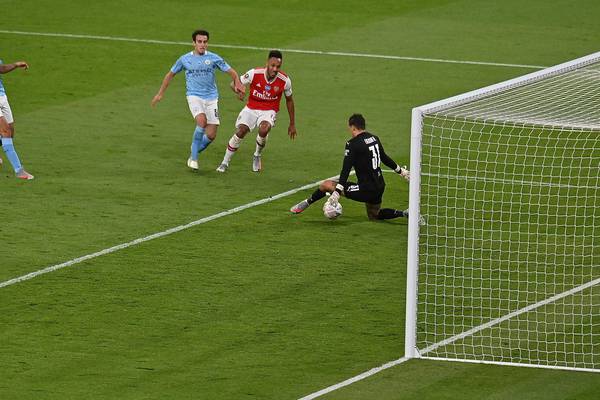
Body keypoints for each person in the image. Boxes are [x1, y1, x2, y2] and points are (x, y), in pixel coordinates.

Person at [151, 29, 245, 171]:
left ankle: (193, 152)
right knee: (202, 121)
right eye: (199, 42)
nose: (202, 44)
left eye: (205, 42)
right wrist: (160, 94)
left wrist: (238, 85)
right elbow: (170, 75)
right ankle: (194, 159)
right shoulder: (184, 59)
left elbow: (232, 72)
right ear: (194, 43)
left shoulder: (213, 58)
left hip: (212, 98)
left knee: (212, 135)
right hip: (194, 96)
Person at [290, 114, 410, 220]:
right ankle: (404, 213)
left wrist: (337, 192)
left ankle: (306, 203)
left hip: (365, 189)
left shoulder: (352, 144)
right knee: (374, 215)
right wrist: (401, 171)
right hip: (379, 186)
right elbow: (384, 157)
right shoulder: (374, 138)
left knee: (326, 185)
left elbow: (346, 169)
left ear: (352, 127)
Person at [216, 50, 296, 173]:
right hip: (251, 108)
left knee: (264, 129)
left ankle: (257, 154)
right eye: (272, 65)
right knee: (241, 131)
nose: (275, 69)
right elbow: (234, 83)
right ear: (267, 63)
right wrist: (239, 91)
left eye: (278, 67)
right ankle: (224, 162)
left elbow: (289, 100)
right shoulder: (254, 73)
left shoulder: (285, 80)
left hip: (269, 110)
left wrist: (292, 123)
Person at [0, 59, 34, 180]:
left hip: (2, 96)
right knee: (5, 132)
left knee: (10, 130)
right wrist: (15, 65)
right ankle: (19, 171)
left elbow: (1, 67)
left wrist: (15, 65)